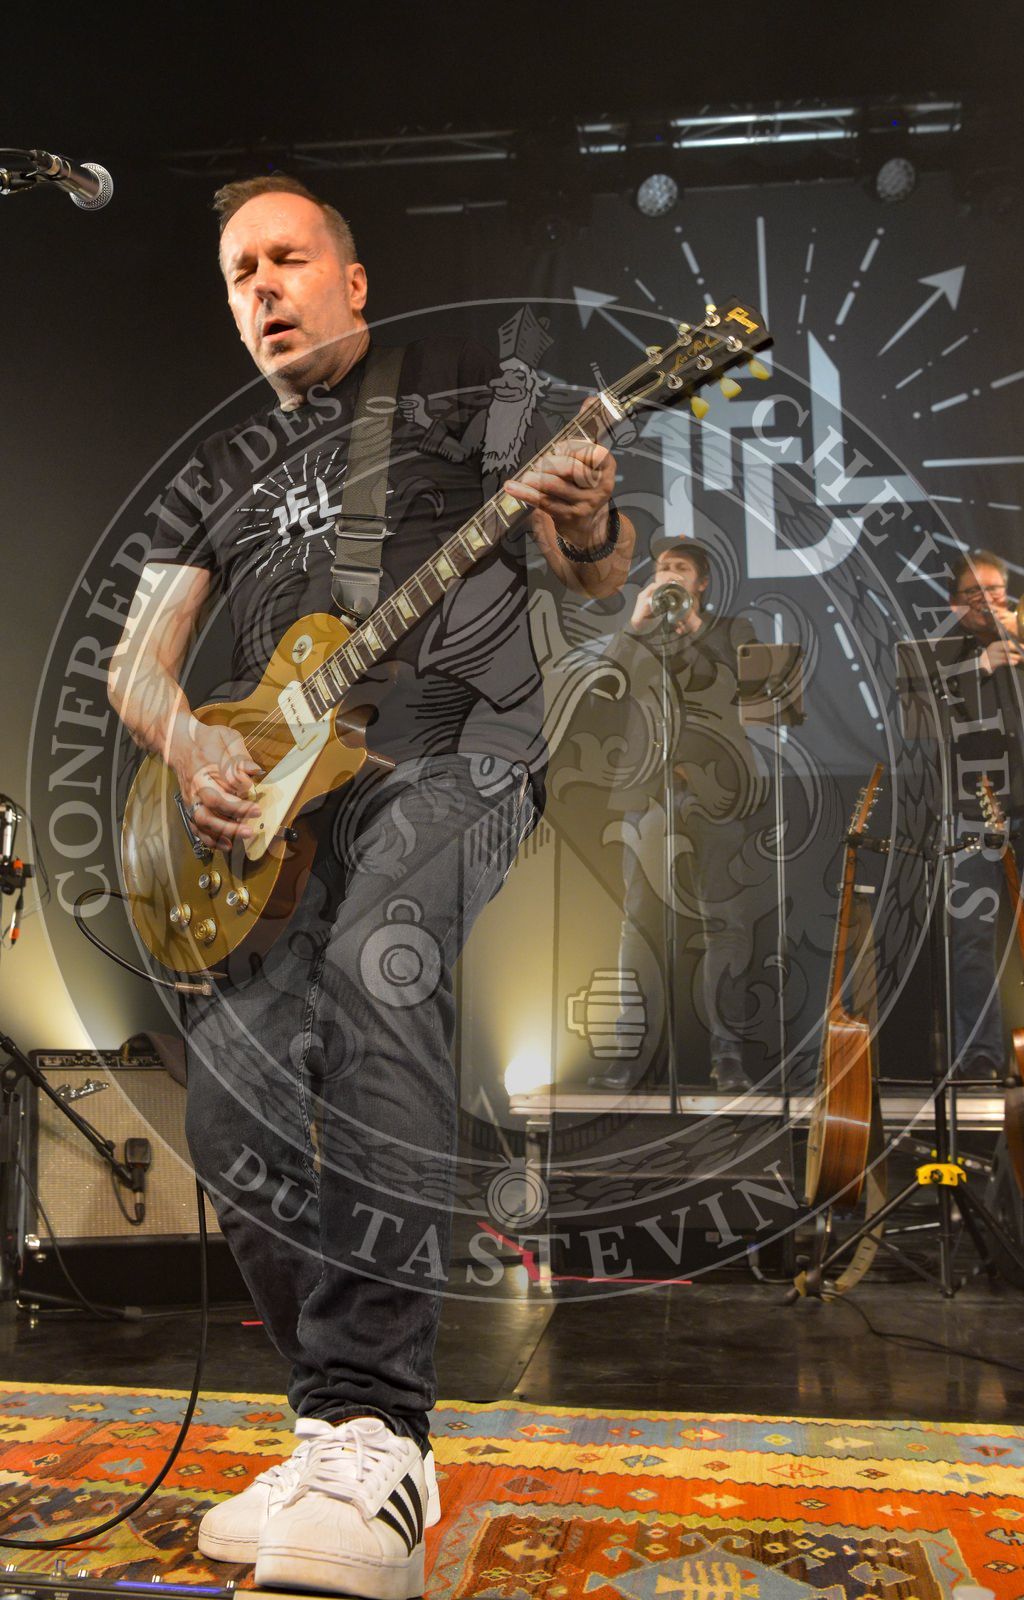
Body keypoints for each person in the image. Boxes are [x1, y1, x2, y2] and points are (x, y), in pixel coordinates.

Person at [107, 174, 634, 1598]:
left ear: (351, 279)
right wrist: (198, 743)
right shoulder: (221, 463)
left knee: (376, 968)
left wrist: (587, 516)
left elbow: (591, 575)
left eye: (286, 259)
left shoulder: (460, 378)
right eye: (239, 273)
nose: (261, 288)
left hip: (454, 760)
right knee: (231, 1089)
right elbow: (137, 667)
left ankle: (387, 1431)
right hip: (281, 809)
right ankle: (332, 1430)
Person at [588, 535, 762, 1095]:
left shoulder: (733, 631)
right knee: (637, 926)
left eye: (680, 568)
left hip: (717, 795)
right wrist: (636, 622)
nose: (667, 574)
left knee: (725, 925)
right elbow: (604, 688)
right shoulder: (640, 636)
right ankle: (629, 1058)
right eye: (661, 567)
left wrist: (690, 624)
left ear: (701, 582)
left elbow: (740, 693)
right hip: (647, 795)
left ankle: (727, 1057)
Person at [943, 549, 1024, 1078]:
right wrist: (981, 665)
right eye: (975, 592)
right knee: (973, 940)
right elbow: (926, 715)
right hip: (974, 813)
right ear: (956, 603)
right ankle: (979, 1056)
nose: (988, 600)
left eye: (995, 590)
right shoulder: (945, 653)